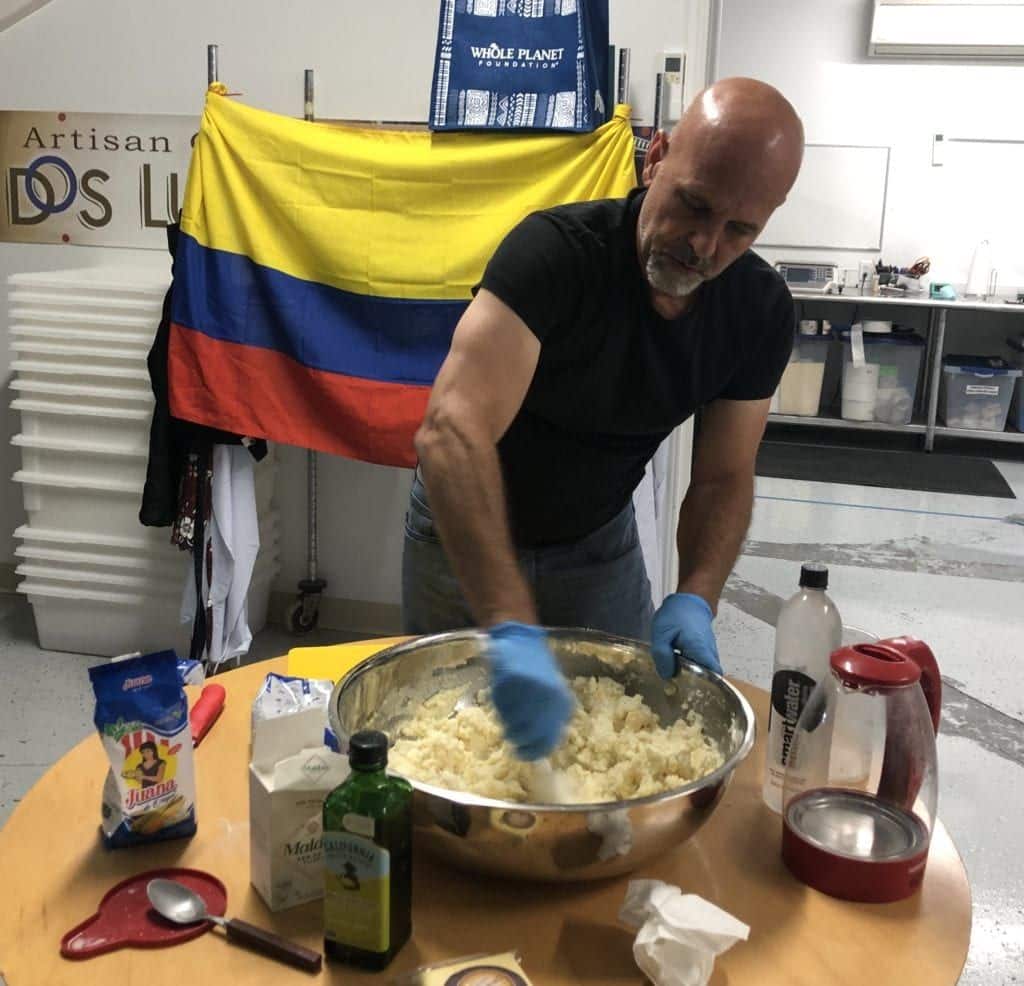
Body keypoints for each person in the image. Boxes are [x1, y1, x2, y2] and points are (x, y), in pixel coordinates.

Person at [403, 77, 804, 761]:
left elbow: (724, 476)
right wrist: (506, 620)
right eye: (694, 205)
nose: (705, 246)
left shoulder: (758, 312)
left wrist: (697, 598)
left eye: (739, 229)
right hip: (461, 534)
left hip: (598, 545)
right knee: (451, 742)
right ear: (657, 158)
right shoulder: (556, 255)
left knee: (608, 744)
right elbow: (451, 434)